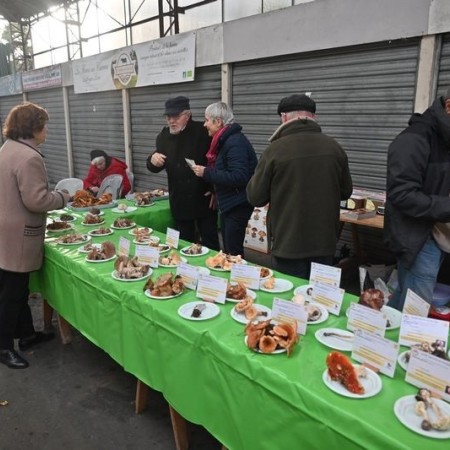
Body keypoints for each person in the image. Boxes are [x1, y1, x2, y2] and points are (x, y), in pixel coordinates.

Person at [246, 94, 353, 279]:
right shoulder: (334, 147)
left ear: (284, 117)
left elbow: (255, 196)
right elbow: (346, 192)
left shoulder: (275, 150)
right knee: (320, 299)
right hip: (324, 242)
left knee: (291, 298)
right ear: (314, 117)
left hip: (289, 243)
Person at [0, 102, 71, 369]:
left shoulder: (8, 147)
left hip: (5, 230)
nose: (47, 131)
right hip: (18, 235)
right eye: (45, 125)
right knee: (12, 293)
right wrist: (64, 197)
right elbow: (36, 200)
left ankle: (27, 335)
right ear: (34, 128)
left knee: (14, 288)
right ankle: (4, 346)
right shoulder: (30, 157)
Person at [384, 88, 450, 311]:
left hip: (440, 235)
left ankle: (374, 337)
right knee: (416, 309)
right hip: (420, 238)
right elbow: (401, 194)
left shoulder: (446, 136)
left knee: (405, 297)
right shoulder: (414, 139)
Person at [147, 96, 220, 250]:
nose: (171, 121)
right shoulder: (163, 136)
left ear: (187, 115)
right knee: (184, 245)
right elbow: (155, 164)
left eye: (176, 116)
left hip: (203, 198)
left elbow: (218, 162)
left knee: (210, 243)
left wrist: (214, 189)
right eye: (168, 117)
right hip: (179, 199)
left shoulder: (203, 132)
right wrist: (152, 160)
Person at [192, 101, 257, 256]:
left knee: (233, 252)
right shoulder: (225, 140)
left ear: (218, 122)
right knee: (229, 249)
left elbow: (239, 176)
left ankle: (238, 279)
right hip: (230, 203)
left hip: (238, 204)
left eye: (207, 120)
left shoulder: (234, 142)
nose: (204, 124)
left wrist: (206, 172)